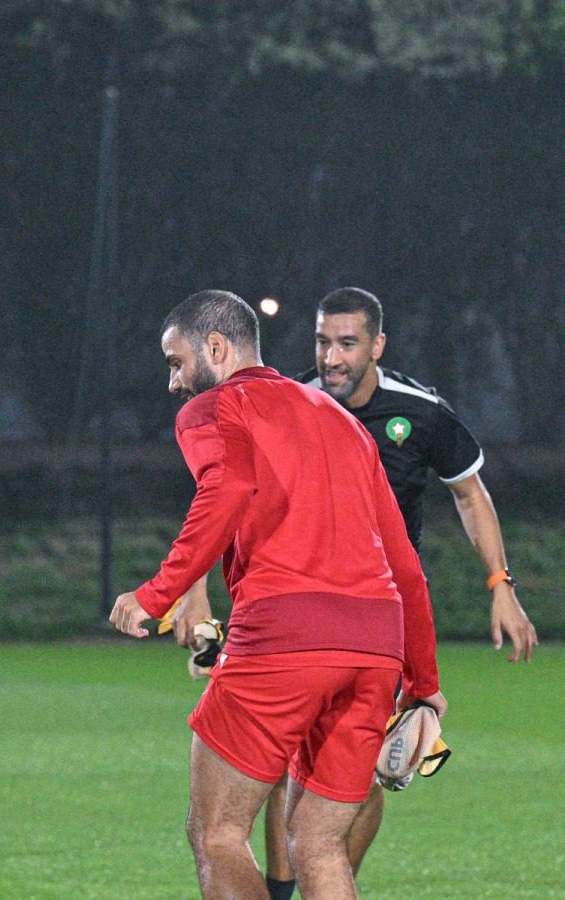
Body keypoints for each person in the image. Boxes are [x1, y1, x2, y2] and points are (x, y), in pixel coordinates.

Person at [172, 286, 538, 899]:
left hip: (360, 610)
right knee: (301, 809)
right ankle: (296, 883)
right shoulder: (295, 401)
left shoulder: (419, 412)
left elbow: (470, 495)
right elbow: (228, 488)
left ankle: (304, 876)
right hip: (361, 630)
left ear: (378, 346)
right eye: (321, 342)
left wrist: (501, 583)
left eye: (347, 343)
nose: (332, 357)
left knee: (248, 819)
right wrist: (197, 590)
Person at [109, 290, 445, 899]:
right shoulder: (340, 419)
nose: (174, 382)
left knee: (216, 833)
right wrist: (423, 685)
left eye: (175, 362)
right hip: (374, 647)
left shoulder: (215, 407)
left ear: (215, 348)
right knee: (319, 846)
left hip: (285, 638)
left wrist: (160, 592)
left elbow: (230, 485)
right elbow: (405, 566)